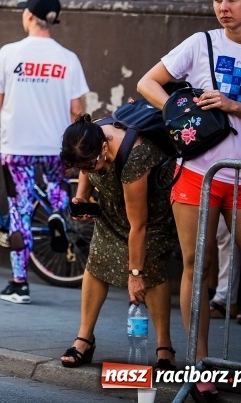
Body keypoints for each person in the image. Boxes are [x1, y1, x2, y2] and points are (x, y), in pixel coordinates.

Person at [141, 0, 241, 395]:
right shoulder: (201, 43)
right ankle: (199, 368)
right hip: (198, 173)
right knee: (198, 267)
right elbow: (147, 83)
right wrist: (181, 112)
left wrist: (231, 105)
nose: (223, 7)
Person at [0, 0, 88, 304]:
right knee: (56, 186)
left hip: (17, 147)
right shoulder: (68, 59)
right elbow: (77, 110)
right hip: (55, 147)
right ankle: (57, 213)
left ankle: (20, 283)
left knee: (19, 212)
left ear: (29, 16)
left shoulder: (8, 53)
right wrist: (75, 150)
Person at [58, 114, 177, 370]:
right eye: (81, 167)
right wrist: (82, 197)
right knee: (97, 261)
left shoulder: (134, 156)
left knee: (151, 267)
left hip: (151, 216)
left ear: (104, 147)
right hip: (112, 209)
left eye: (90, 165)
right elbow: (85, 168)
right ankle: (84, 339)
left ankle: (164, 347)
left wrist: (135, 274)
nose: (86, 171)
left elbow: (138, 225)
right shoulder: (89, 135)